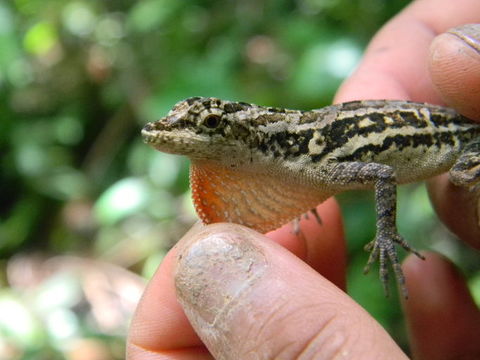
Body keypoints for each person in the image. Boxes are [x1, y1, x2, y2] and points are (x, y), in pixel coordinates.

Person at [126, 0, 480, 358]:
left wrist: (386, 234)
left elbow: (383, 173)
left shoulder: (311, 160)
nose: (172, 133)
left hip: (464, 141)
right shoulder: (302, 164)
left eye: (211, 126)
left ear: (248, 137)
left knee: (466, 176)